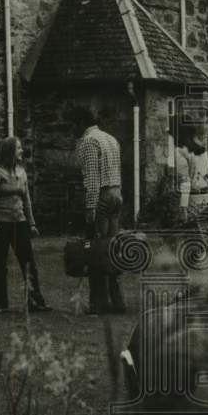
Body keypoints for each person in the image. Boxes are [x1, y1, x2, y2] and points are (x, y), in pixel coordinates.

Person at [0, 136, 49, 313]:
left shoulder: (22, 172)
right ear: (9, 151)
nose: (21, 151)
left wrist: (32, 223)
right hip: (0, 225)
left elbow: (26, 201)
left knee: (28, 262)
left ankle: (35, 302)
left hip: (19, 223)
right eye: (18, 148)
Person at [75, 109, 125, 314]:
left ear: (81, 123)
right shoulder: (111, 139)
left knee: (96, 250)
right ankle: (118, 301)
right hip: (116, 193)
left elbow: (93, 178)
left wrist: (90, 206)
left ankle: (99, 303)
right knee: (112, 251)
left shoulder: (88, 141)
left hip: (103, 196)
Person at [174, 121, 208, 225]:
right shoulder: (204, 150)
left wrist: (183, 208)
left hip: (192, 202)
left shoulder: (180, 151)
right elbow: (207, 175)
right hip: (206, 199)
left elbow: (185, 181)